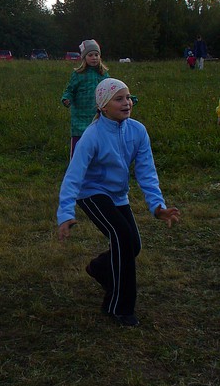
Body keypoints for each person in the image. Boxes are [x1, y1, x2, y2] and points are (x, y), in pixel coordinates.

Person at [57, 78, 180, 327]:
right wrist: (65, 213)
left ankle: (100, 268)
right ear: (103, 106)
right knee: (122, 237)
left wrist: (157, 206)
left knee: (133, 245)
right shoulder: (92, 136)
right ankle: (118, 307)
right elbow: (73, 176)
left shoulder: (138, 131)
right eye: (119, 99)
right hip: (91, 192)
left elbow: (146, 172)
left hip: (117, 194)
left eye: (128, 97)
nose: (127, 103)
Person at [61, 39, 109, 157]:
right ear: (84, 58)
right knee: (78, 147)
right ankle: (76, 167)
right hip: (80, 118)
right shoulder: (78, 74)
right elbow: (70, 90)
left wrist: (127, 98)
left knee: (97, 145)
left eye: (96, 55)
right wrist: (66, 98)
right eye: (90, 55)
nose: (94, 58)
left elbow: (111, 89)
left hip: (98, 117)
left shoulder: (103, 74)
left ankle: (95, 166)